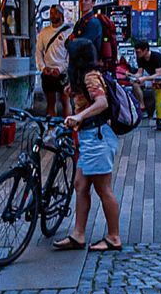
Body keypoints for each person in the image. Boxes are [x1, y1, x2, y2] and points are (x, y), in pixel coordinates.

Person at [53, 39, 123, 253]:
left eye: (70, 55)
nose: (67, 59)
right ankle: (78, 234)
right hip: (89, 137)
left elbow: (101, 103)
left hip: (97, 137)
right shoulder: (84, 77)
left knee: (104, 189)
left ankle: (113, 237)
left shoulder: (91, 76)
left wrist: (78, 116)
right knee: (80, 185)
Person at [34, 3, 70, 117]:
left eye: (55, 13)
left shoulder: (68, 32)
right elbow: (38, 51)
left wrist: (60, 69)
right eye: (51, 13)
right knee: (50, 102)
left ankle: (68, 127)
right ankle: (51, 128)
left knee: (65, 101)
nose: (52, 15)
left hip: (63, 73)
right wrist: (42, 67)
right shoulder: (44, 32)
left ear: (61, 14)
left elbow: (70, 55)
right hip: (48, 72)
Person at [131, 37, 161, 119]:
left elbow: (158, 74)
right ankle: (142, 107)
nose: (137, 54)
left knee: (155, 83)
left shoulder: (157, 57)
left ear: (145, 50)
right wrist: (132, 76)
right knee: (135, 84)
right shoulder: (140, 59)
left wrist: (144, 78)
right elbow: (140, 73)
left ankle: (158, 109)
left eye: (138, 52)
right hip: (151, 78)